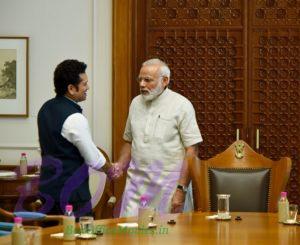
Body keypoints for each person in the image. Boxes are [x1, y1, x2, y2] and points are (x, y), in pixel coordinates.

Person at [116, 58, 202, 216]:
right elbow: (129, 141)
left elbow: (192, 150)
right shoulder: (135, 103)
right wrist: (120, 164)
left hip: (169, 186)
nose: (142, 84)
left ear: (165, 81)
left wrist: (181, 190)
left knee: (168, 237)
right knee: (130, 236)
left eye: (147, 80)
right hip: (136, 185)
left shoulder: (182, 105)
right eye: (140, 79)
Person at [37, 59, 121, 217]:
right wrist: (111, 170)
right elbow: (93, 159)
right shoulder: (75, 117)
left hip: (47, 192)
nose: (87, 87)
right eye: (84, 84)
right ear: (71, 88)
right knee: (80, 241)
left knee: (51, 240)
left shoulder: (45, 108)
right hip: (72, 197)